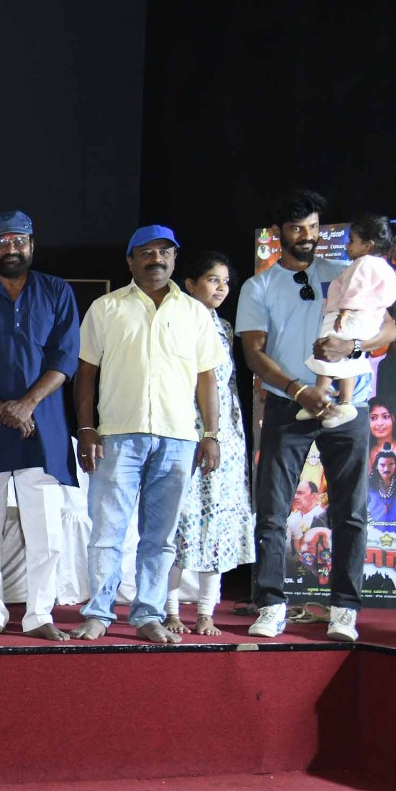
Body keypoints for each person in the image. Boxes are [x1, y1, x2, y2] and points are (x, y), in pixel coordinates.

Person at [239, 188, 396, 641]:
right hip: (290, 404)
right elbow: (254, 352)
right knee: (273, 510)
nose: (307, 236)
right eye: (297, 228)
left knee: (351, 511)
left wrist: (352, 345)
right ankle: (271, 604)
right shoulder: (258, 286)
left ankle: (344, 609)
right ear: (279, 233)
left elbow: (388, 327)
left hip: (349, 407)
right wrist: (299, 389)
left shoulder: (345, 269)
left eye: (313, 227)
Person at [70, 226, 222, 645]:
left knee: (160, 537)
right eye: (146, 252)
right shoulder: (106, 308)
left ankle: (149, 615)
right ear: (130, 260)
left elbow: (207, 379)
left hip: (178, 439)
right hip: (118, 435)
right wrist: (86, 428)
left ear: (174, 258)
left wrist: (211, 433)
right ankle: (98, 614)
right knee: (107, 533)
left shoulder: (195, 313)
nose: (156, 259)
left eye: (164, 252)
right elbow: (86, 373)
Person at [0, 211, 79, 641]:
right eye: (2, 242)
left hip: (41, 427)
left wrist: (27, 405)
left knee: (46, 529)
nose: (11, 249)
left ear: (31, 245)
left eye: (18, 241)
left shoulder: (57, 291)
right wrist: (4, 409)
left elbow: (65, 358)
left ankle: (39, 614)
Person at [165, 253, 255, 636]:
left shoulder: (224, 326)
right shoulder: (175, 321)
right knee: (178, 520)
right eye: (212, 280)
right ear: (190, 284)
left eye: (226, 281)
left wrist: (221, 434)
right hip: (186, 427)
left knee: (217, 519)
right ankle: (169, 610)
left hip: (225, 434)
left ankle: (206, 611)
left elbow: (226, 383)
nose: (221, 288)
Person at [302, 215, 396, 428]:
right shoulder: (382, 266)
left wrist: (344, 312)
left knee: (328, 350)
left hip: (352, 317)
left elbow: (355, 289)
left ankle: (319, 401)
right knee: (346, 359)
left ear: (368, 245)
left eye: (352, 241)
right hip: (367, 320)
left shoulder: (362, 264)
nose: (348, 246)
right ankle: (342, 403)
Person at [367, 397, 396, 485]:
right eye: (373, 418)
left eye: (385, 417)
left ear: (394, 418)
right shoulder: (364, 454)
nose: (380, 423)